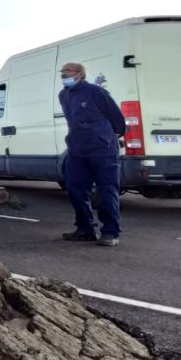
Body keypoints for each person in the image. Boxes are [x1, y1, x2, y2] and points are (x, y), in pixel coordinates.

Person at [59, 62, 127, 247]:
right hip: (77, 151)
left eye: (68, 72)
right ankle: (85, 229)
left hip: (102, 150)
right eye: (62, 72)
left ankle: (110, 232)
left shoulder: (95, 92)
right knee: (75, 189)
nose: (64, 75)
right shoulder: (63, 95)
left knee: (106, 191)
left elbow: (116, 117)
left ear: (80, 74)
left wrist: (110, 138)